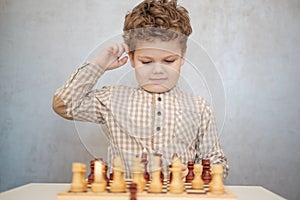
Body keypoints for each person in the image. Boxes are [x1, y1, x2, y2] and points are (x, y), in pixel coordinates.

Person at [52, 0, 228, 179]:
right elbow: (64, 105)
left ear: (182, 56)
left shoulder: (199, 108)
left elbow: (217, 162)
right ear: (132, 58)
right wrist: (99, 65)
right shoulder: (112, 99)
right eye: (146, 61)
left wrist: (196, 172)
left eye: (169, 61)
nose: (158, 70)